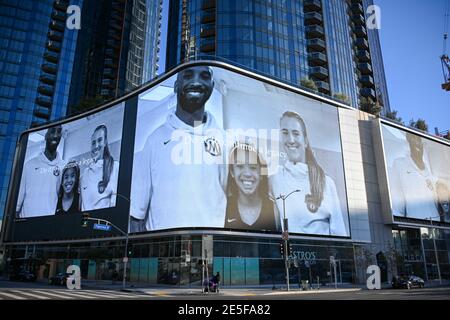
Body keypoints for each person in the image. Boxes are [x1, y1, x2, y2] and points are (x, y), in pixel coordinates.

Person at [130, 66, 227, 232]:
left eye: (204, 76)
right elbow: (137, 214)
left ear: (211, 85)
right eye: (188, 76)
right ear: (176, 86)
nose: (196, 82)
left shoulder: (224, 140)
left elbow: (228, 195)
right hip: (162, 248)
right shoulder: (154, 140)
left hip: (210, 247)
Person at [270, 111, 347, 236]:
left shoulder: (326, 183)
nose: (290, 140)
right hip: (286, 252)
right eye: (285, 133)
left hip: (321, 253)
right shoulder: (274, 179)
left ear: (305, 140)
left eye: (296, 133)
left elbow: (339, 233)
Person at [224, 142, 278, 231]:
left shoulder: (274, 209)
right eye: (240, 166)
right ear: (232, 171)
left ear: (261, 172)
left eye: (253, 167)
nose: (247, 174)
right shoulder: (224, 207)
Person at [16, 125, 64, 217]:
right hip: (27, 221)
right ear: (46, 136)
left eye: (59, 132)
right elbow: (18, 202)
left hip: (49, 223)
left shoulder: (63, 166)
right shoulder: (29, 165)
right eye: (52, 131)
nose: (55, 135)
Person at [391, 133, 439, 220]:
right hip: (415, 223)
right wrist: (400, 220)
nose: (417, 143)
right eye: (413, 139)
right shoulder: (399, 164)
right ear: (408, 142)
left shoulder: (429, 168)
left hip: (437, 222)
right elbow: (397, 199)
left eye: (419, 140)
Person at [80, 124, 119, 211]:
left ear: (105, 142)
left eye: (100, 140)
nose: (96, 146)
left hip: (102, 223)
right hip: (85, 222)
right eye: (93, 143)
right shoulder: (85, 174)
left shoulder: (115, 167)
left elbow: (115, 205)